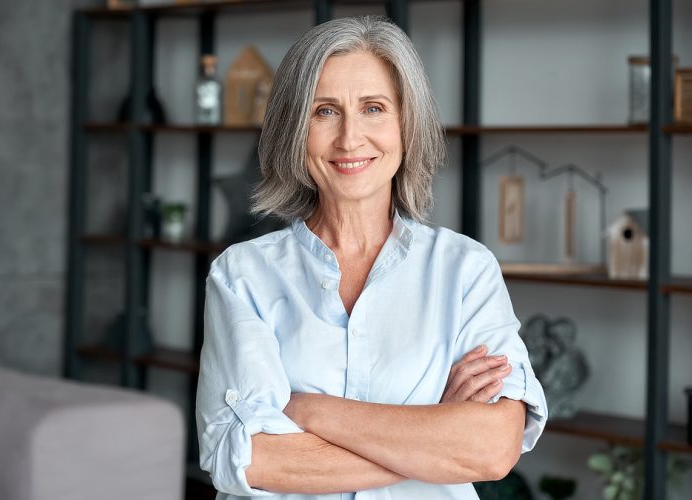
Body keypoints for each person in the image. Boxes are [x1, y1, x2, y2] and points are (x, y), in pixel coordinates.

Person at [196, 16, 547, 499]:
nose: (349, 139)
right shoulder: (242, 276)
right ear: (295, 130)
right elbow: (245, 457)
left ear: (407, 123)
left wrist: (310, 411)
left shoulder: (466, 270)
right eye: (324, 111)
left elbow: (491, 449)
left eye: (374, 108)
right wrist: (434, 438)